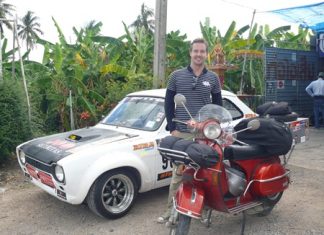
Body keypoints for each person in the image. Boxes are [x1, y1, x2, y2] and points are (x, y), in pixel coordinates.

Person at [157, 38, 222, 224]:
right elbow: (169, 103)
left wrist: (211, 126)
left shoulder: (212, 79)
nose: (199, 54)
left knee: (206, 173)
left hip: (203, 134)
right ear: (190, 53)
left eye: (202, 51)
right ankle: (170, 211)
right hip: (183, 132)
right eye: (196, 51)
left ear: (206, 53)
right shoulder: (176, 76)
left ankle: (203, 210)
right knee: (179, 174)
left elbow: (218, 106)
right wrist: (173, 128)